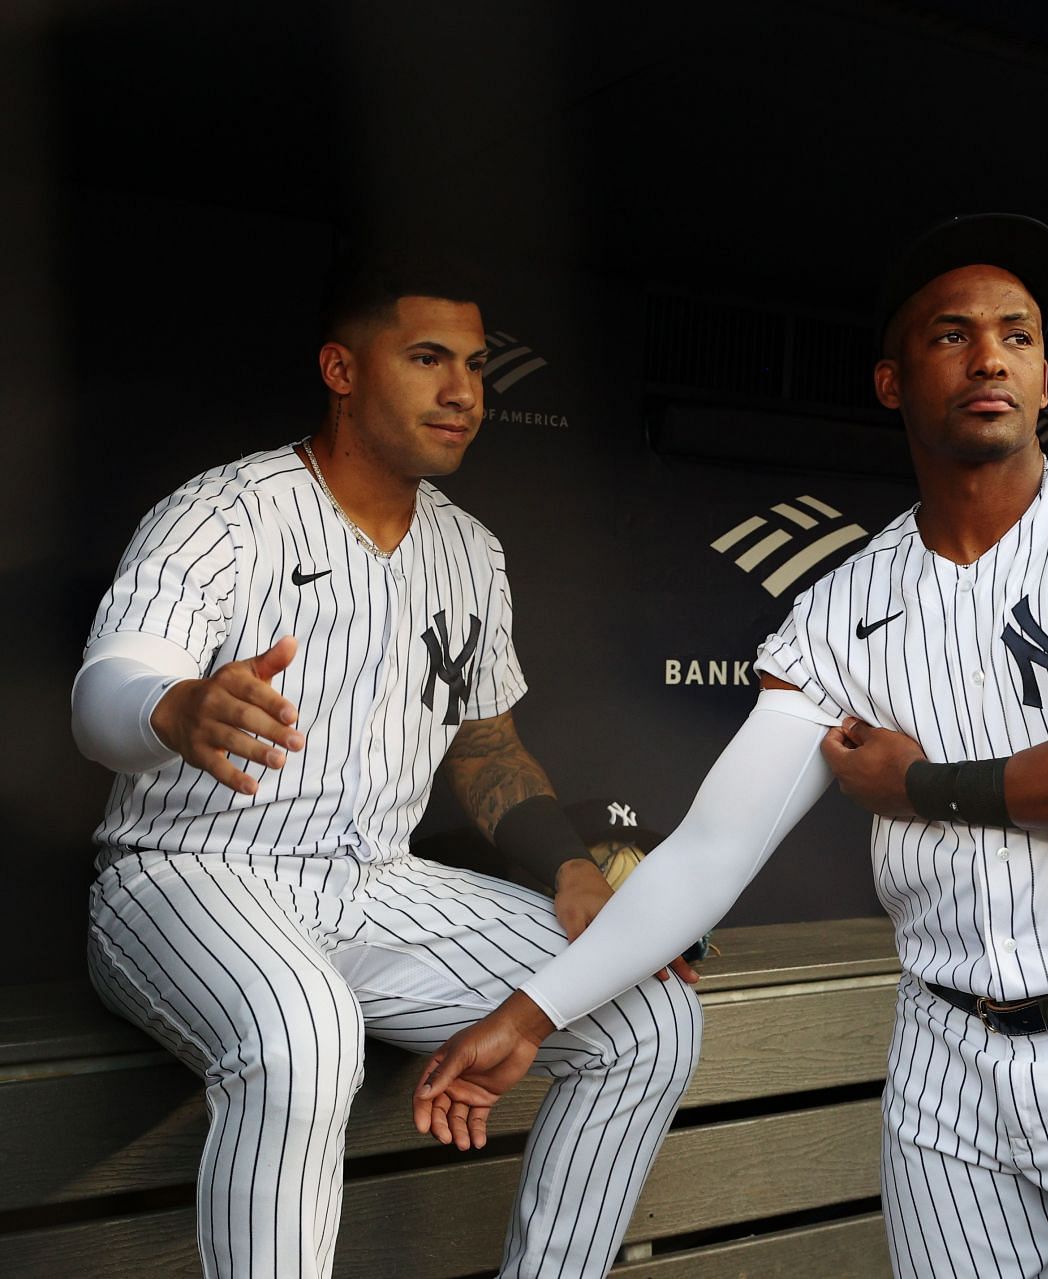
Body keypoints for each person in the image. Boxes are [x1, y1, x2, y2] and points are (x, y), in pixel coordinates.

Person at [414, 213, 1048, 1277]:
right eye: (951, 336)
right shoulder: (842, 605)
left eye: (1018, 333)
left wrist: (919, 783)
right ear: (891, 382)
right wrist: (532, 1013)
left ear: (1047, 374)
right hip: (947, 1059)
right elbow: (711, 851)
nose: (991, 355)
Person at [71, 253, 701, 1279]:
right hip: (187, 869)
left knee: (648, 1013)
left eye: (474, 364)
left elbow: (489, 749)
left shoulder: (472, 552)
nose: (464, 391)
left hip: (374, 886)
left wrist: (575, 872)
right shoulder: (226, 513)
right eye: (425, 358)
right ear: (342, 368)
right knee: (305, 1031)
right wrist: (174, 705)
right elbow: (106, 696)